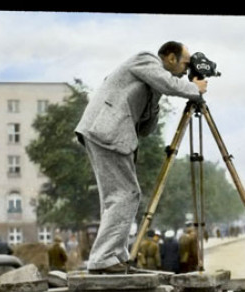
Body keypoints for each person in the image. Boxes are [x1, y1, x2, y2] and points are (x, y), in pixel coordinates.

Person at [74, 41, 207, 274]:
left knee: (117, 197)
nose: (186, 71)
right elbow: (168, 83)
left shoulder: (151, 83)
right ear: (170, 57)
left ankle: (115, 255)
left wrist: (155, 102)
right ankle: (104, 258)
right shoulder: (146, 59)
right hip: (107, 131)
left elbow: (146, 129)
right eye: (185, 64)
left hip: (105, 132)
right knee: (126, 194)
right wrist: (194, 89)